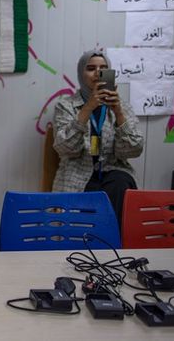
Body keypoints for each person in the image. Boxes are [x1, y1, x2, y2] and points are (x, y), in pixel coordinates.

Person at [52, 49, 144, 220]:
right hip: (77, 173)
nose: (97, 73)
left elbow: (133, 150)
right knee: (82, 197)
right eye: (91, 68)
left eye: (103, 68)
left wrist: (118, 113)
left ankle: (112, 244)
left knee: (120, 182)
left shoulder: (121, 105)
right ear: (81, 73)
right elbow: (65, 149)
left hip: (112, 172)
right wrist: (88, 107)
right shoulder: (66, 106)